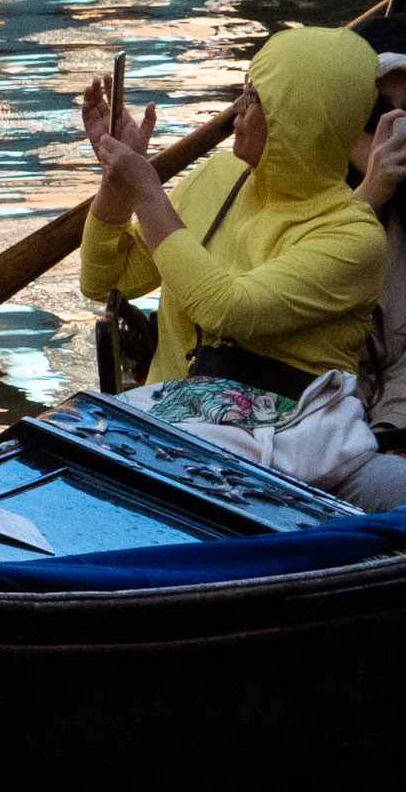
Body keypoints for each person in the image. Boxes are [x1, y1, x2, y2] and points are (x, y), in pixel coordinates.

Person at [80, 25, 406, 511]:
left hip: (289, 458)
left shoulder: (354, 236)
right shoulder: (219, 176)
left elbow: (228, 309)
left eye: (253, 99)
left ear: (298, 121)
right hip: (166, 431)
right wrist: (117, 185)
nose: (236, 110)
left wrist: (148, 192)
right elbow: (105, 279)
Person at [350, 16, 406, 446]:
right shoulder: (301, 191)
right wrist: (371, 192)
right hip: (325, 422)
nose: (394, 132)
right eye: (378, 115)